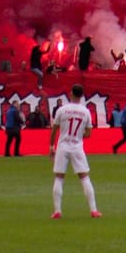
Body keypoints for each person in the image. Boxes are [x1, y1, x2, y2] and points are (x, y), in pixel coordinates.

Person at [49, 84, 100, 219]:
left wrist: (51, 147)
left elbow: (54, 129)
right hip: (77, 147)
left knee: (59, 177)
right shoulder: (86, 112)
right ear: (82, 96)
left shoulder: (62, 110)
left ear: (70, 93)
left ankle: (57, 211)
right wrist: (78, 135)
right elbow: (88, 134)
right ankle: (93, 210)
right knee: (84, 177)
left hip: (62, 146)